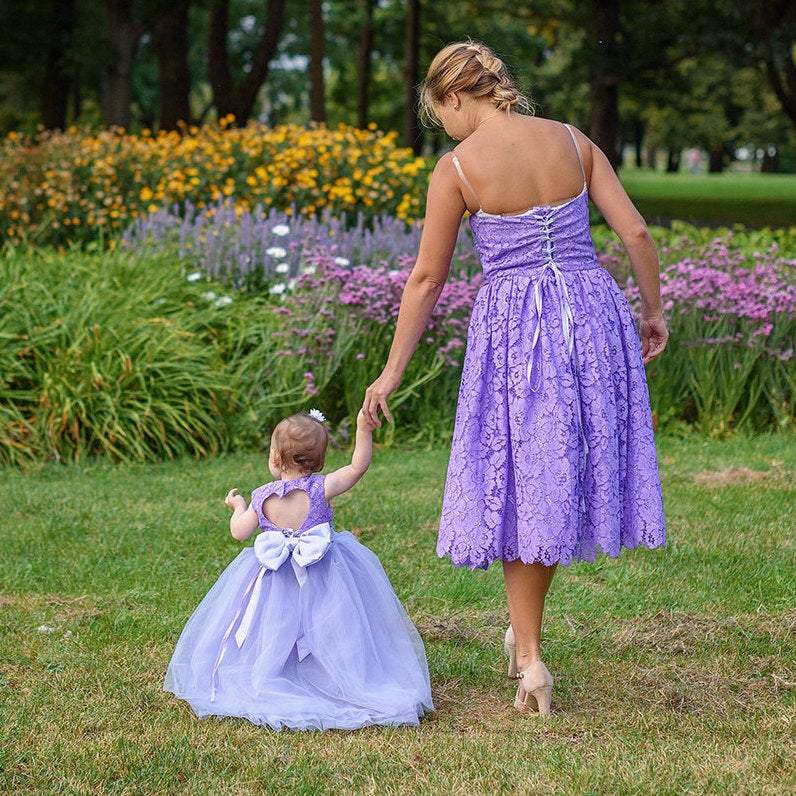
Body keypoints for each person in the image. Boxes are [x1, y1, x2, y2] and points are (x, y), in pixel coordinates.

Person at [360, 40, 667, 716]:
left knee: (528, 485)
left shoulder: (459, 167)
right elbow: (637, 234)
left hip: (520, 333)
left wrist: (389, 373)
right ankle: (521, 638)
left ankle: (529, 659)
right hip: (591, 317)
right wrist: (651, 311)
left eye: (440, 112)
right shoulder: (571, 139)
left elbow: (426, 279)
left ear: (455, 97)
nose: (443, 125)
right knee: (550, 481)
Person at [164, 408, 433, 731]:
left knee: (275, 628)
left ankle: (274, 671)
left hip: (276, 582)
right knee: (332, 624)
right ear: (318, 462)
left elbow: (239, 532)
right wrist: (363, 429)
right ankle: (336, 672)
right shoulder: (322, 488)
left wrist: (238, 508)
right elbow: (357, 467)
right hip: (326, 577)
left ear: (275, 458)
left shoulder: (261, 496)